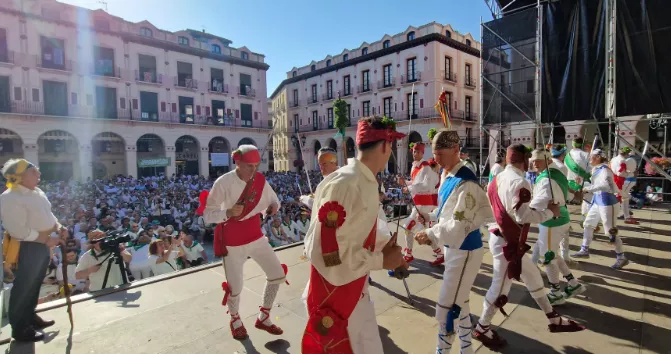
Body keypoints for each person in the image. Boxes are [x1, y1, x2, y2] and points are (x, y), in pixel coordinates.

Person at [302, 116, 406, 354]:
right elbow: (329, 252)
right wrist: (381, 260)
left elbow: (364, 226)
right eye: (392, 145)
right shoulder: (346, 184)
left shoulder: (366, 181)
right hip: (337, 294)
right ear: (384, 146)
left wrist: (389, 252)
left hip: (356, 288)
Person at [473, 145, 584, 349]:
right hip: (508, 243)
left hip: (505, 239)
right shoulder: (519, 181)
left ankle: (553, 319)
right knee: (499, 289)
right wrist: (551, 212)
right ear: (523, 159)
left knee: (532, 276)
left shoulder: (497, 177)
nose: (531, 163)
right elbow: (523, 216)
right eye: (529, 159)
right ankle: (482, 327)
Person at [414, 129, 493, 354]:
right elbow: (447, 211)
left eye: (440, 154)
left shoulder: (466, 181)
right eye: (434, 153)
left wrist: (430, 235)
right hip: (454, 249)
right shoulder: (447, 175)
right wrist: (430, 217)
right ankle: (466, 349)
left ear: (456, 151)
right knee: (461, 303)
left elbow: (459, 225)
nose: (435, 158)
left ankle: (443, 351)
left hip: (465, 251)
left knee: (446, 307)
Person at [203, 144, 288, 340]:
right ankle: (235, 319)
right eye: (250, 165)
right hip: (232, 241)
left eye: (256, 165)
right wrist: (228, 212)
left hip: (256, 236)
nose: (254, 170)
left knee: (277, 273)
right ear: (238, 163)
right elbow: (208, 215)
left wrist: (274, 206)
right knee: (236, 286)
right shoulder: (223, 182)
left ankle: (264, 317)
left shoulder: (259, 179)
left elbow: (274, 200)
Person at [0, 159, 64, 342]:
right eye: (34, 172)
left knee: (34, 284)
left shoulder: (37, 192)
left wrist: (59, 227)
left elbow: (48, 215)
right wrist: (45, 239)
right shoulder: (10, 197)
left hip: (41, 244)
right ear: (20, 176)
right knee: (24, 286)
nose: (39, 175)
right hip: (26, 246)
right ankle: (19, 328)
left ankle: (29, 317)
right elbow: (16, 229)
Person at [530, 149, 586, 304]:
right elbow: (568, 196)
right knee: (553, 254)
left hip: (551, 222)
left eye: (538, 160)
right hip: (561, 219)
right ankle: (573, 284)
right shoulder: (558, 173)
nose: (534, 163)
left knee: (547, 258)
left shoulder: (546, 179)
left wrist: (523, 210)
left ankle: (555, 293)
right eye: (533, 160)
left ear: (548, 160)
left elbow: (540, 202)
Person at [573, 149, 629, 269]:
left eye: (591, 157)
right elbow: (596, 186)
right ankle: (584, 250)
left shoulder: (605, 170)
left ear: (598, 157)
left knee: (610, 231)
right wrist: (583, 182)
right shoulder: (597, 169)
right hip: (597, 201)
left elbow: (606, 186)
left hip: (607, 202)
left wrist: (588, 189)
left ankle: (621, 257)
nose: (589, 159)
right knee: (588, 224)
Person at [398, 141, 443, 266]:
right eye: (413, 151)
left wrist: (410, 188)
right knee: (426, 232)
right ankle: (439, 254)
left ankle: (408, 254)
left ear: (422, 153)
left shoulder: (426, 167)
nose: (415, 154)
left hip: (425, 204)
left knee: (408, 227)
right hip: (419, 203)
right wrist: (405, 183)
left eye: (418, 151)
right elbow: (415, 182)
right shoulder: (414, 166)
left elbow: (426, 185)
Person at [610, 146, 638, 224]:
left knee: (623, 198)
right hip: (620, 182)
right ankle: (625, 216)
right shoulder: (622, 161)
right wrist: (632, 174)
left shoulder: (613, 159)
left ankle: (626, 216)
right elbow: (620, 173)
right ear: (627, 153)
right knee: (622, 198)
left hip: (615, 180)